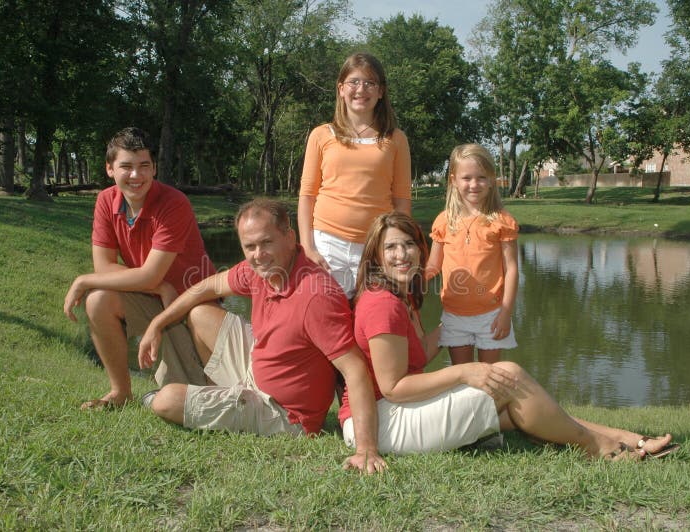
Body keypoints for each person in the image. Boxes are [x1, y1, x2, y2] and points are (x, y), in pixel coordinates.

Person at [339, 212, 679, 460]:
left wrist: (455, 327)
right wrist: (462, 371)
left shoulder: (402, 295)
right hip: (379, 424)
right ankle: (599, 448)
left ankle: (624, 438)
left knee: (521, 408)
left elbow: (415, 357)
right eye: (391, 248)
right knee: (510, 378)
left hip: (396, 410)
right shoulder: (382, 305)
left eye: (409, 244)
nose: (402, 254)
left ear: (421, 249)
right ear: (375, 257)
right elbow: (392, 386)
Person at [137, 199, 386, 474]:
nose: (258, 254)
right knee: (200, 314)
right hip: (256, 368)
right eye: (250, 247)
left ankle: (214, 400)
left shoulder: (316, 294)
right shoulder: (260, 270)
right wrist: (158, 323)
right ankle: (219, 394)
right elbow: (208, 286)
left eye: (266, 243)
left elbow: (354, 369)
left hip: (283, 414)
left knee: (166, 400)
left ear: (290, 238)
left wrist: (366, 450)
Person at [64, 127, 216, 409]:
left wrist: (83, 279)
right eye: (126, 167)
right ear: (110, 169)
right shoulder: (105, 201)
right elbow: (104, 267)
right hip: (156, 295)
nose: (136, 176)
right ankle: (120, 392)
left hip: (193, 306)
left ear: (154, 168)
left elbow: (146, 273)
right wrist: (158, 286)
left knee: (199, 396)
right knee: (98, 300)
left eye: (144, 166)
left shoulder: (174, 203)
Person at [298, 52, 412, 299]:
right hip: (327, 245)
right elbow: (307, 196)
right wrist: (307, 247)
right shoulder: (321, 135)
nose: (361, 89)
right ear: (341, 89)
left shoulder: (396, 139)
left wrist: (398, 247)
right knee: (329, 320)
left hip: (376, 246)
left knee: (374, 319)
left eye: (370, 83)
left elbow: (402, 200)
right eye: (354, 82)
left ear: (381, 91)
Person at [426, 143, 519, 365]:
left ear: (491, 180)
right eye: (466, 178)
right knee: (463, 377)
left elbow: (512, 269)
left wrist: (506, 312)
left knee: (491, 378)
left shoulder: (502, 221)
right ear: (453, 180)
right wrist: (406, 281)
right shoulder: (444, 221)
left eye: (481, 177)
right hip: (454, 314)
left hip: (492, 314)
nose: (474, 184)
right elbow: (432, 266)